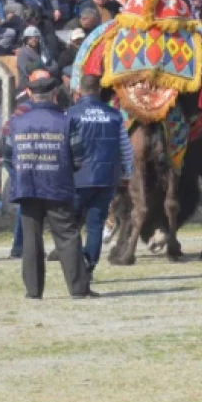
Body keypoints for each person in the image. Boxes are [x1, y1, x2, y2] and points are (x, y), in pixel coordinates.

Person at [5, 74, 94, 299]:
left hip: (26, 186)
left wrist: (20, 173)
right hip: (58, 185)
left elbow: (7, 156)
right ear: (54, 95)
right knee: (67, 236)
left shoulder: (16, 123)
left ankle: (33, 291)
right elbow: (79, 156)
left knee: (31, 239)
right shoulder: (66, 121)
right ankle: (78, 288)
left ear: (30, 95)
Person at [67, 73, 129, 279]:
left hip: (77, 178)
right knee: (96, 224)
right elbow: (125, 148)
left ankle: (75, 265)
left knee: (72, 224)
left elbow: (64, 146)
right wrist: (127, 172)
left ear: (79, 91)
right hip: (106, 178)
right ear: (99, 90)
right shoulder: (114, 114)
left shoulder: (70, 114)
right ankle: (89, 266)